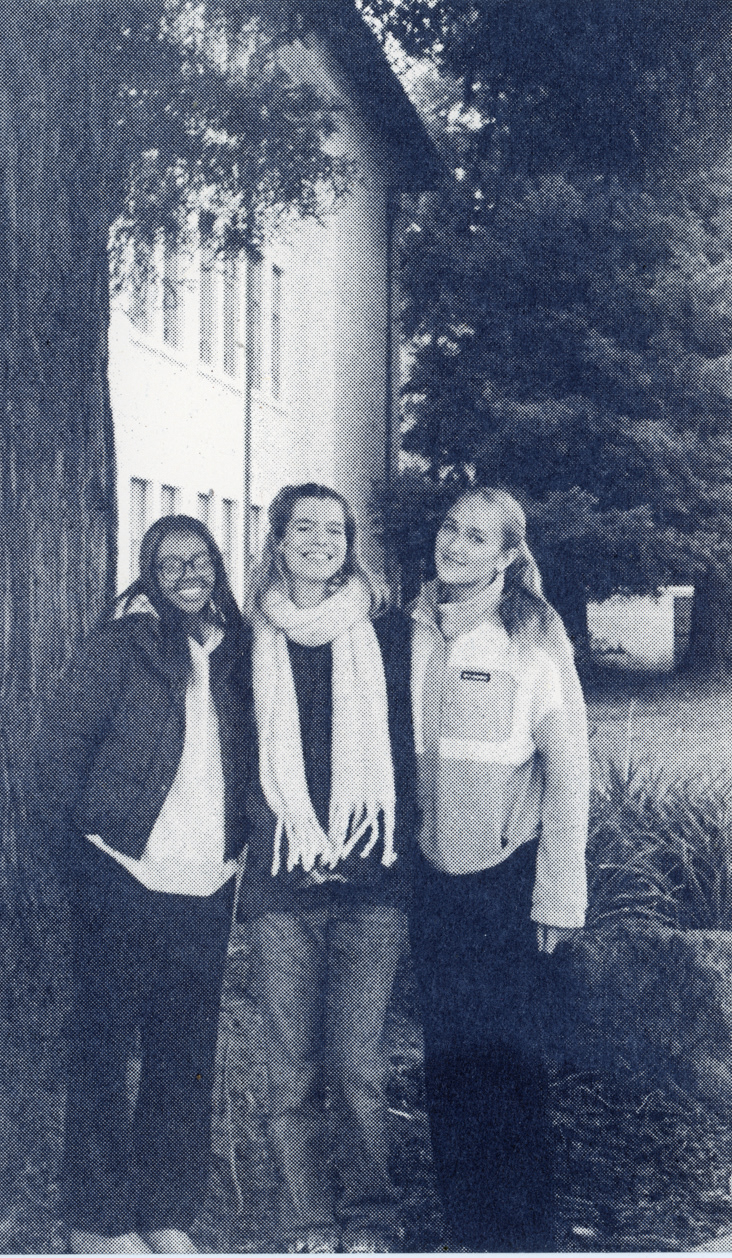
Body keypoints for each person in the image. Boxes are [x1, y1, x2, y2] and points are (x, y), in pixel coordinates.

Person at [36, 515, 252, 1255]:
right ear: (149, 574)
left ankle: (165, 1213)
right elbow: (60, 753)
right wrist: (81, 859)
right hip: (122, 873)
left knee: (182, 1057)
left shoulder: (238, 650)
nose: (188, 574)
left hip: (208, 879)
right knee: (104, 1048)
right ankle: (96, 1222)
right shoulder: (121, 647)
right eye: (169, 564)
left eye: (199, 559)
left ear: (217, 564)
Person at [407, 485, 590, 1252]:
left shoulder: (534, 636)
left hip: (507, 880)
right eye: (451, 528)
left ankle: (526, 1233)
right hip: (432, 879)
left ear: (509, 556)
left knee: (509, 1063)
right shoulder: (418, 627)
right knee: (449, 1061)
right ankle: (470, 1230)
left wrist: (559, 893)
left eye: (477, 537)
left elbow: (570, 772)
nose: (454, 544)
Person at [240, 483, 417, 1255]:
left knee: (358, 1071)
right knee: (291, 1075)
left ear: (350, 545)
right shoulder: (246, 640)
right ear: (279, 541)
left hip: (371, 889)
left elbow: (411, 755)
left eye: (335, 529)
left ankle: (371, 1219)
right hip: (282, 889)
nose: (320, 540)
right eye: (304, 527)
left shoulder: (387, 636)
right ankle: (308, 1224)